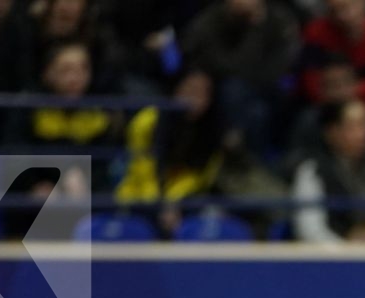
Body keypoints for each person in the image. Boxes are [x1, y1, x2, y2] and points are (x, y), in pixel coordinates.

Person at [180, 0, 299, 155]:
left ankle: (240, 151)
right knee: (245, 102)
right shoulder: (214, 17)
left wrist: (254, 28)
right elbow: (194, 51)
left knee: (255, 102)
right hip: (224, 89)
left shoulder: (279, 19)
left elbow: (278, 69)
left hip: (268, 91)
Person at [117, 68, 229, 233]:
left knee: (213, 215)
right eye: (190, 90)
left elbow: (199, 177)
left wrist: (173, 203)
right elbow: (141, 168)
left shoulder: (212, 132)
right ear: (176, 90)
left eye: (203, 93)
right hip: (141, 195)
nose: (195, 98)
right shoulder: (147, 121)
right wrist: (161, 206)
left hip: (183, 201)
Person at [292, 97, 365, 243]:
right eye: (355, 126)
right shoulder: (313, 171)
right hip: (328, 261)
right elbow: (310, 231)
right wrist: (346, 249)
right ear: (332, 132)